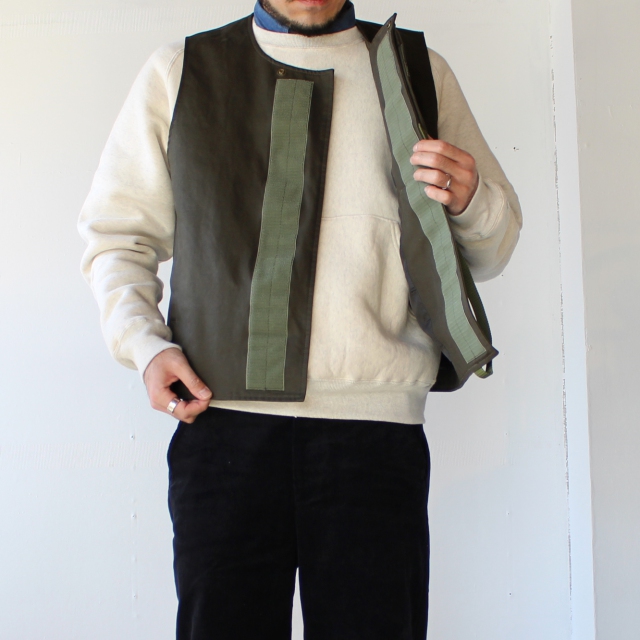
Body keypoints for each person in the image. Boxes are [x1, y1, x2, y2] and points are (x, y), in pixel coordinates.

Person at [79, 0, 521, 638]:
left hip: (376, 437)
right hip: (222, 428)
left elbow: (494, 248)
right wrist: (145, 346)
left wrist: (471, 199)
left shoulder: (418, 72)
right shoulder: (182, 71)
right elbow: (117, 236)